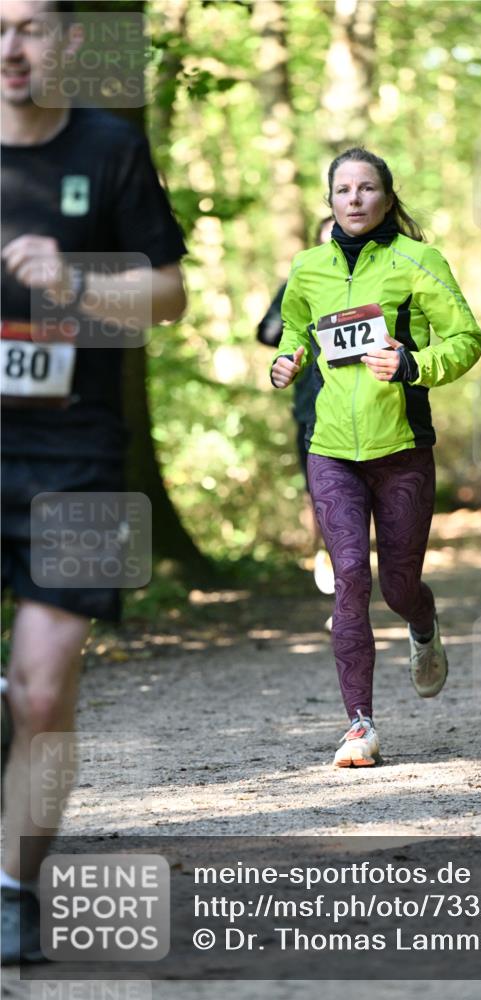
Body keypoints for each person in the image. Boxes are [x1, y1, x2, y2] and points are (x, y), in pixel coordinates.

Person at [1, 0, 187, 963]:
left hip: (79, 456)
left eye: (29, 26)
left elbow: (167, 297)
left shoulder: (109, 148)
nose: (10, 47)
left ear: (69, 41)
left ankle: (8, 892)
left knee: (43, 693)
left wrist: (73, 280)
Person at [271, 147, 481, 767]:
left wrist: (414, 365)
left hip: (402, 448)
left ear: (387, 198)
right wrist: (288, 362)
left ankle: (423, 621)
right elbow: (293, 331)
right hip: (330, 448)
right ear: (330, 200)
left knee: (396, 586)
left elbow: (467, 338)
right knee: (349, 582)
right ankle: (359, 725)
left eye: (368, 189)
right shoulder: (307, 267)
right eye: (344, 190)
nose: (356, 199)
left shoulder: (419, 261)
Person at [257, 217, 336, 596]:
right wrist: (295, 333)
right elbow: (266, 331)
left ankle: (350, 557)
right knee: (318, 488)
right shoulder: (297, 285)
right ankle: (325, 551)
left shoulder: (373, 283)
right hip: (310, 404)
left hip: (366, 405)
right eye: (326, 239)